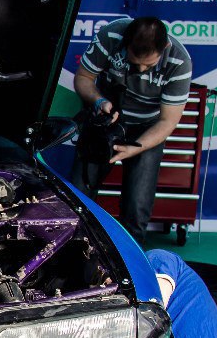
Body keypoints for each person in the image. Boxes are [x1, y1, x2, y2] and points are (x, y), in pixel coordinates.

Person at [72, 17, 192, 244]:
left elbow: (167, 121)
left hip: (148, 127)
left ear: (165, 47)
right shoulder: (110, 36)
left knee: (137, 208)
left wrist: (135, 149)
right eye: (135, 63)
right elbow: (83, 78)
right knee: (79, 194)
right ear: (125, 44)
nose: (141, 69)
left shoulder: (179, 61)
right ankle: (77, 251)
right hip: (107, 119)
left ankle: (130, 260)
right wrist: (98, 101)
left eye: (149, 65)